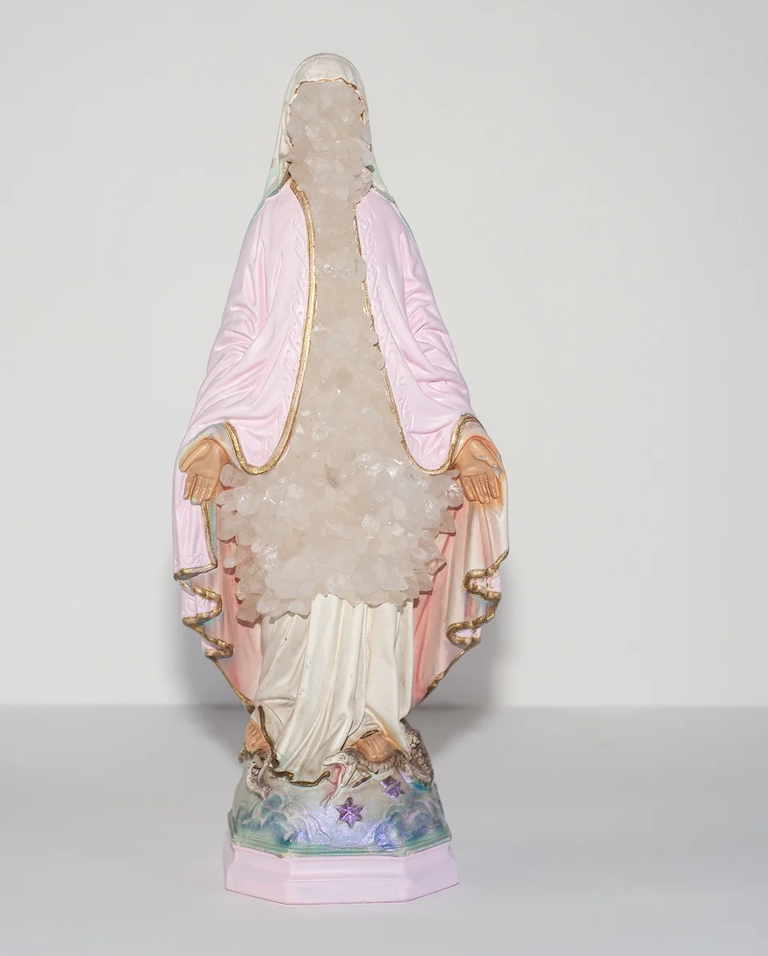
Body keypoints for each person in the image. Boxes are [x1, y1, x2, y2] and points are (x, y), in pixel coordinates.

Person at [172, 53, 509, 791]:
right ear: (290, 124)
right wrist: (217, 429)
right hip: (288, 442)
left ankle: (372, 720)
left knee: (376, 578)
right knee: (292, 580)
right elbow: (243, 328)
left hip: (378, 435)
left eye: (342, 108)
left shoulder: (384, 221)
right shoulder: (273, 221)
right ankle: (285, 716)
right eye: (313, 108)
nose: (327, 124)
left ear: (361, 125)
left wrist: (461, 430)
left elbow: (421, 324)